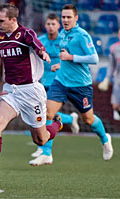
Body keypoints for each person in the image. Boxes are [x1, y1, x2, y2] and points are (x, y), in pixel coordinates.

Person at [0, 3, 63, 184]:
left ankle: (56, 125)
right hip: (11, 90)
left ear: (13, 20)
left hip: (31, 92)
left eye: (1, 21)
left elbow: (36, 44)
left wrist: (42, 52)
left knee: (41, 140)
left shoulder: (26, 34)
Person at [47, 4, 113, 160]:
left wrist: (71, 58)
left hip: (80, 85)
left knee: (88, 119)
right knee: (48, 112)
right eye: (63, 17)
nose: (65, 20)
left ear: (76, 18)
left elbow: (94, 58)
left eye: (69, 17)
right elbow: (65, 56)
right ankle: (45, 152)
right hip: (61, 82)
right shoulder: (62, 33)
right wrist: (61, 65)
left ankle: (105, 139)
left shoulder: (82, 35)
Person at [29, 13, 81, 166]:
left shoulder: (64, 41)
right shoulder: (41, 41)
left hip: (58, 82)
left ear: (58, 25)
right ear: (45, 25)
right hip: (41, 82)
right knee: (41, 112)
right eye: (48, 24)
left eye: (53, 24)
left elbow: (72, 59)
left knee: (45, 114)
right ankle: (70, 119)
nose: (50, 26)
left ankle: (45, 151)